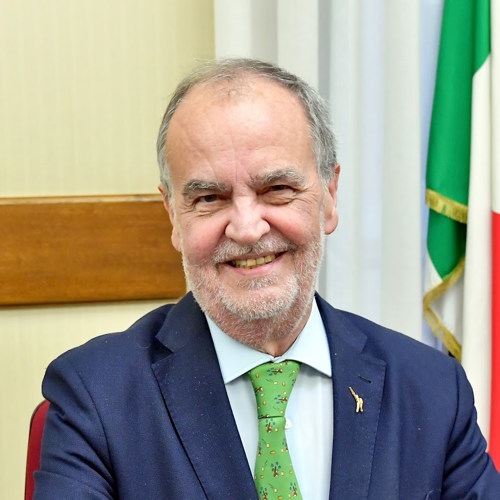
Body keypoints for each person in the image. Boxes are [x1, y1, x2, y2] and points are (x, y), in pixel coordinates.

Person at [35, 58, 500, 499]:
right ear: (173, 215)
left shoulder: (432, 390)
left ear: (330, 196)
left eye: (277, 189)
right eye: (209, 198)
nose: (246, 228)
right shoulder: (96, 396)